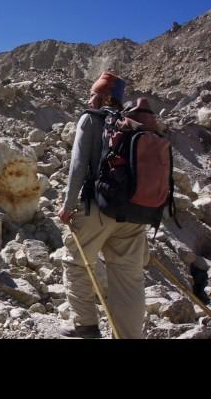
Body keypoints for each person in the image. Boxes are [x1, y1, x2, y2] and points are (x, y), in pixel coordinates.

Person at [57, 71, 149, 339]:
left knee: (76, 262)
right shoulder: (135, 125)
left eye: (94, 93)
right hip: (134, 214)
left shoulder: (91, 119)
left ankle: (85, 327)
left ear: (106, 96)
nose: (89, 97)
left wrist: (68, 205)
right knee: (129, 280)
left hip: (97, 208)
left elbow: (78, 166)